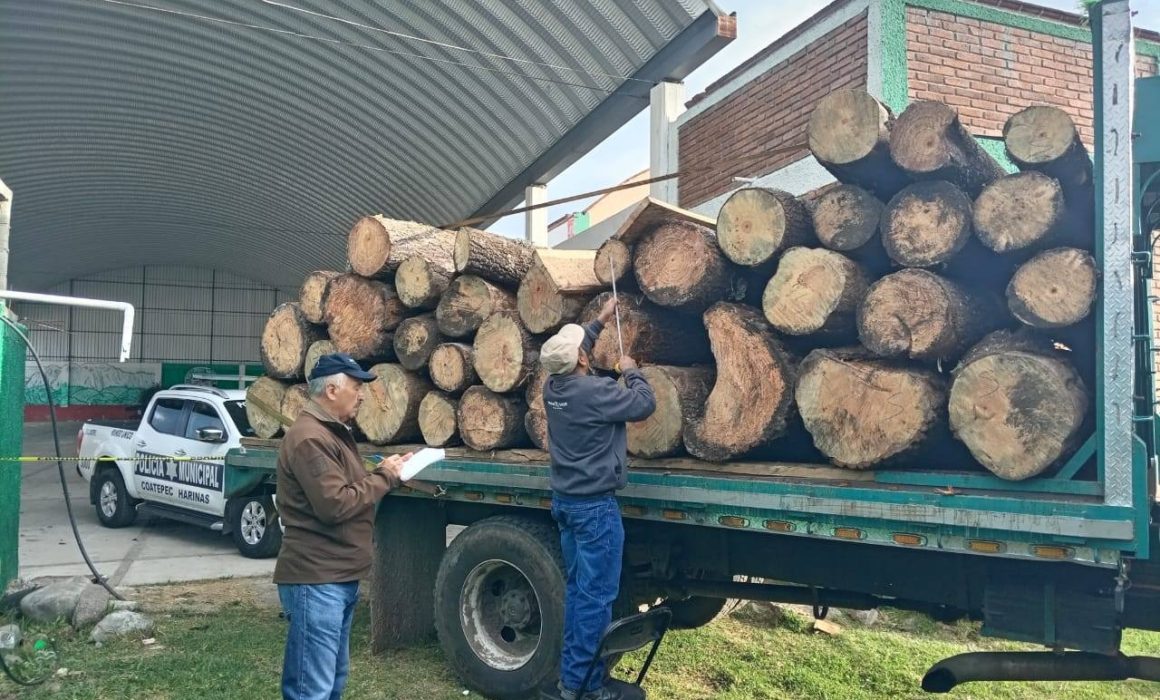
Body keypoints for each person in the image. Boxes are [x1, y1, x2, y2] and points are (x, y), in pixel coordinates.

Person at [273, 353, 410, 700]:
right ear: (332, 390)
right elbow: (335, 504)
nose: (362, 394)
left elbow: (346, 486)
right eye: (356, 386)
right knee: (312, 688)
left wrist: (383, 470)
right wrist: (385, 478)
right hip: (316, 579)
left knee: (332, 679)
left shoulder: (330, 433)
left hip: (335, 576)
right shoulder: (311, 439)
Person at [539, 297, 657, 700]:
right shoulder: (595, 392)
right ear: (583, 362)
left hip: (567, 504)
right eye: (583, 350)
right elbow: (644, 405)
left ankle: (572, 676)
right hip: (594, 511)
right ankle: (583, 687)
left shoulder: (553, 387)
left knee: (579, 594)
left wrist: (600, 321)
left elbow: (574, 350)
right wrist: (631, 371)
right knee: (595, 599)